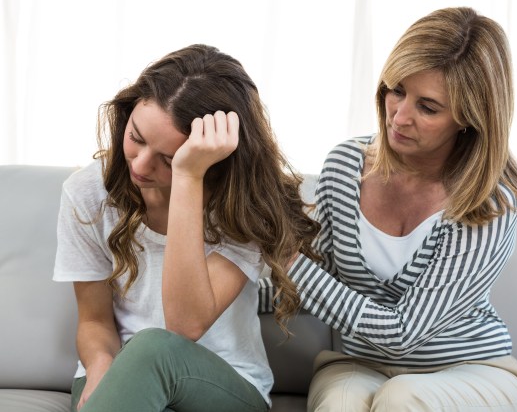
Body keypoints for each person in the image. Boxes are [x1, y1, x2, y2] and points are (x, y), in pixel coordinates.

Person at [259, 6, 517, 411]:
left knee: (401, 399)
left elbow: (403, 332)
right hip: (360, 364)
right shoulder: (345, 166)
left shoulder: (490, 203)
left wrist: (288, 261)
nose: (399, 116)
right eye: (396, 90)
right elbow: (315, 282)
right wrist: (223, 285)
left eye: (428, 107)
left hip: (471, 369)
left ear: (469, 117)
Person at [53, 44, 319, 412]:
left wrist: (188, 178)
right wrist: (101, 367)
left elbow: (185, 324)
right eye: (137, 138)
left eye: (168, 158)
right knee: (138, 359)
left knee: (153, 348)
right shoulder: (87, 193)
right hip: (120, 373)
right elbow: (94, 321)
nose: (141, 166)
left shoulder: (242, 208)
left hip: (223, 385)